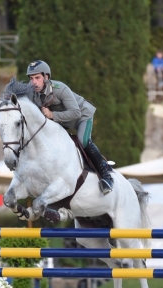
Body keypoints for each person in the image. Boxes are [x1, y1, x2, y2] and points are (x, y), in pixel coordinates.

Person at [27, 60, 114, 194]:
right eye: (31, 78)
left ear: (46, 77)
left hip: (82, 115)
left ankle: (106, 177)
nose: (34, 82)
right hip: (63, 122)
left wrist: (51, 114)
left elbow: (76, 112)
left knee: (82, 141)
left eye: (37, 78)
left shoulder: (60, 88)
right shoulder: (33, 93)